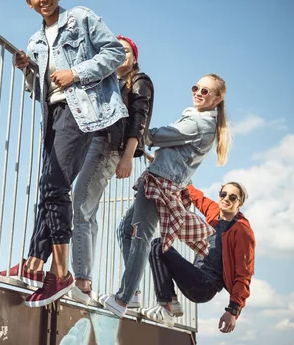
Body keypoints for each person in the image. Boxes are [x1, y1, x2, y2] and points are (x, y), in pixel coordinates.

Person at [7, 0, 128, 308]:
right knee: (51, 187)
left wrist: (75, 73)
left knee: (53, 187)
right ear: (29, 4)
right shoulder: (35, 42)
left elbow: (115, 54)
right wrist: (28, 73)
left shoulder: (81, 18)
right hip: (54, 117)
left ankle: (60, 275)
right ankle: (33, 265)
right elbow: (40, 91)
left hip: (83, 112)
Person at [103, 74, 231, 317]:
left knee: (140, 238)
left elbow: (162, 134)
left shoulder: (200, 123)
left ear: (217, 99)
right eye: (196, 87)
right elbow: (176, 150)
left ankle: (122, 300)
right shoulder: (202, 120)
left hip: (159, 183)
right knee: (125, 230)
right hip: (163, 178)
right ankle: (132, 294)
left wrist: (132, 133)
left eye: (205, 91)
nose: (198, 93)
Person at [69, 35, 154, 306]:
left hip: (108, 147)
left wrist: (128, 156)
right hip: (94, 145)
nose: (120, 55)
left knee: (80, 206)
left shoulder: (140, 81)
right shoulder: (109, 83)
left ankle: (82, 283)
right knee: (87, 211)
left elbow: (139, 120)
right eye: (115, 52)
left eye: (125, 51)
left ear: (135, 58)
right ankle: (85, 281)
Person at [140, 182, 255, 333]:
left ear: (239, 203)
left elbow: (244, 274)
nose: (226, 199)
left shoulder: (242, 231)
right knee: (158, 245)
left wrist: (233, 311)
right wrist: (165, 169)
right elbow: (194, 193)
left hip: (206, 286)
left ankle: (166, 307)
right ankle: (171, 303)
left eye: (232, 197)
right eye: (223, 194)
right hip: (196, 276)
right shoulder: (214, 211)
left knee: (158, 246)